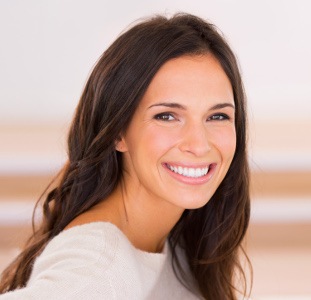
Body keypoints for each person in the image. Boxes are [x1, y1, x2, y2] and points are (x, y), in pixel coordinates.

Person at [0, 13, 251, 299]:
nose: (199, 144)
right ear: (118, 131)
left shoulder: (176, 242)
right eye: (167, 116)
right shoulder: (99, 266)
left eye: (217, 116)